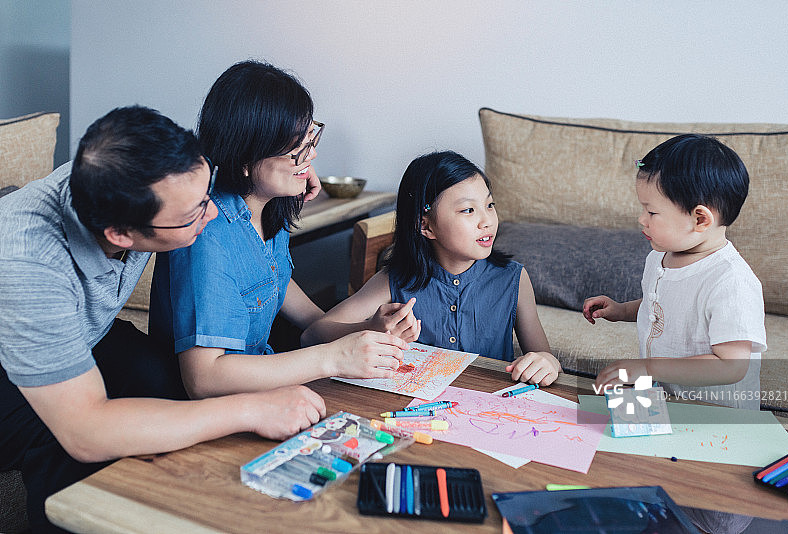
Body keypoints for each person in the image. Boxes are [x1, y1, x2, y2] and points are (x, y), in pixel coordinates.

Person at [0, 106, 327, 533]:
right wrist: (250, 409)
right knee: (66, 442)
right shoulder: (30, 265)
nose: (210, 215)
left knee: (160, 373)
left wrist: (296, 173)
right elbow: (86, 430)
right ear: (120, 234)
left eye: (207, 192)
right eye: (192, 214)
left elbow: (239, 145)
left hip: (84, 330)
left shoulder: (140, 171)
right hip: (10, 363)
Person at [149, 61, 407, 399]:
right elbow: (204, 379)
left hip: (264, 391)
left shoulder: (269, 209)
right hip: (210, 411)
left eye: (309, 137)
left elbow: (310, 319)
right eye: (296, 148)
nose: (311, 155)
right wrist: (333, 357)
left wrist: (366, 330)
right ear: (245, 157)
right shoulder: (209, 235)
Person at [303, 151, 562, 386]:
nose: (487, 220)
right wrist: (370, 328)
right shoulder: (394, 281)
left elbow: (545, 358)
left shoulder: (513, 279)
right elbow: (313, 335)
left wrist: (547, 363)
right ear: (425, 226)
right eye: (469, 210)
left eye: (490, 205)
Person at [583, 134, 766, 409]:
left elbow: (731, 366)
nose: (641, 219)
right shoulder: (659, 257)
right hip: (667, 399)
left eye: (652, 212)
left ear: (700, 219)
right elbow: (666, 306)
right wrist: (621, 311)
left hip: (716, 415)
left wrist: (648, 368)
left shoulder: (731, 281)